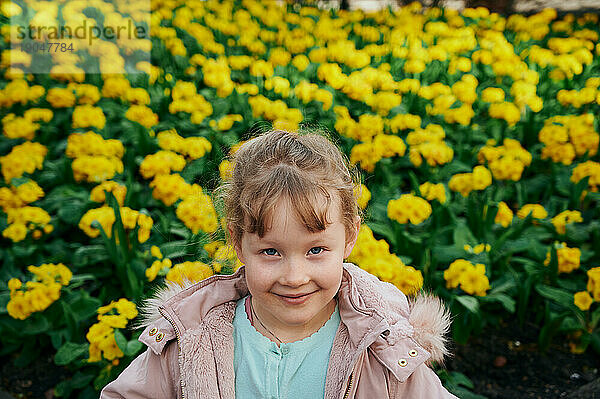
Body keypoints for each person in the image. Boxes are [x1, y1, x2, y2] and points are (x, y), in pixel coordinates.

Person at [100, 129, 458, 399]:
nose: (294, 276)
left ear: (350, 237)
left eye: (316, 250)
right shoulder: (193, 337)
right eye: (271, 252)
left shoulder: (382, 346)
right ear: (238, 241)